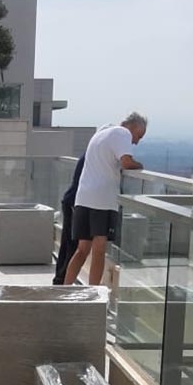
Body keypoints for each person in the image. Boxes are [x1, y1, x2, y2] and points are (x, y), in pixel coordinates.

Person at [64, 112, 147, 286]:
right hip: (102, 200)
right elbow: (126, 162)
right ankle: (93, 292)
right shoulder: (123, 133)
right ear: (133, 127)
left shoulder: (102, 132)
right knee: (99, 249)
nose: (136, 142)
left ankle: (65, 289)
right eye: (139, 136)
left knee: (82, 249)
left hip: (83, 197)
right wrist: (140, 165)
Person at [52, 150, 85, 284]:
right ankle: (62, 280)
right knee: (72, 245)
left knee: (68, 244)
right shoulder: (96, 156)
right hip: (74, 202)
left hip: (71, 200)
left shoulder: (91, 154)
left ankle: (60, 280)